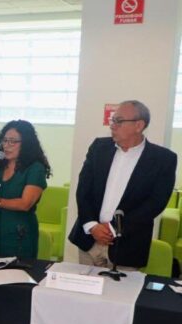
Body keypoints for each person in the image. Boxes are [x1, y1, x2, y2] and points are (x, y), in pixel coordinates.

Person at [68, 100, 177, 269]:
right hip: (90, 240)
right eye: (112, 120)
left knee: (122, 287)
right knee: (85, 286)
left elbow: (155, 203)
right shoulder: (99, 148)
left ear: (139, 125)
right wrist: (92, 225)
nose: (112, 125)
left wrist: (114, 228)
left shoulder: (163, 159)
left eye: (118, 121)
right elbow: (83, 190)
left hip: (127, 246)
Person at [0, 120, 50, 259]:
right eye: (4, 140)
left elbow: (25, 204)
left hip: (19, 238)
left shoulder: (35, 168)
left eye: (13, 141)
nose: (6, 145)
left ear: (26, 143)